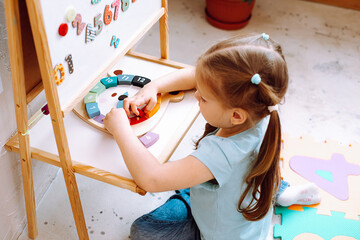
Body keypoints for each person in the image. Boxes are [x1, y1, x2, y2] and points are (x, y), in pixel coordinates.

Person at [103, 33, 319, 240]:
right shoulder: (262, 106)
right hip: (244, 198)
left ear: (236, 115)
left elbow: (152, 178)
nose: (196, 93)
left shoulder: (221, 153)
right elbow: (198, 76)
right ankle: (279, 191)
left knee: (144, 231)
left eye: (204, 98)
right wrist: (153, 87)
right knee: (230, 175)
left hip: (218, 234)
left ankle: (275, 192)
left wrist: (120, 128)